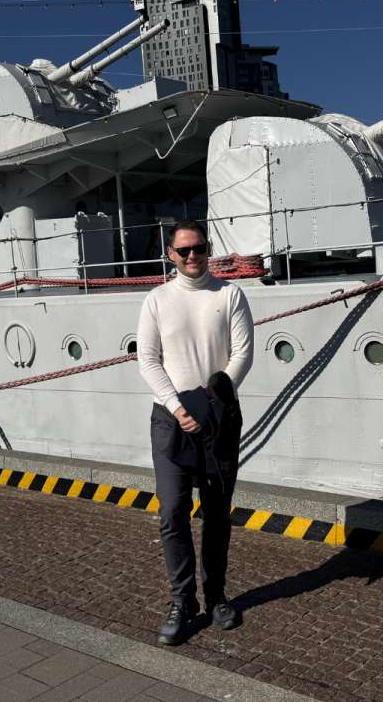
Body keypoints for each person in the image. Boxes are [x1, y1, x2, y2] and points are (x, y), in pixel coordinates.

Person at [136, 219, 254, 646]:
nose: (191, 256)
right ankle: (182, 601)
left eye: (198, 248)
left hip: (218, 420)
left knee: (217, 515)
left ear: (208, 249)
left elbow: (242, 353)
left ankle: (217, 596)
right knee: (172, 513)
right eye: (183, 250)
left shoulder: (230, 294)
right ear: (170, 254)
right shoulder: (157, 299)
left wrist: (210, 402)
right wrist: (178, 406)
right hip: (171, 422)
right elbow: (148, 359)